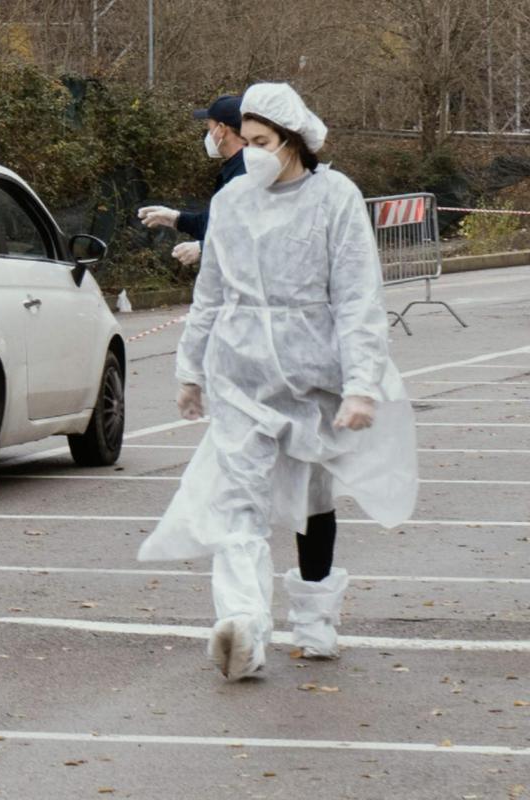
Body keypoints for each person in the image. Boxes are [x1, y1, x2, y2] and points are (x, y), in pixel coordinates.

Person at [137, 82, 418, 682]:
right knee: (237, 499)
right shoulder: (234, 201)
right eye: (248, 141)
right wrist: (190, 370)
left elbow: (357, 298)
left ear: (293, 140)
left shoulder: (335, 198)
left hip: (314, 374)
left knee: (313, 501)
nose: (253, 153)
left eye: (263, 141)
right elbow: (211, 292)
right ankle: (242, 624)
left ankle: (316, 622)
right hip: (241, 374)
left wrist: (361, 384)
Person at [137, 94, 247, 267]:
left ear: (222, 129)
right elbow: (214, 223)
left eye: (209, 128)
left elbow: (253, 234)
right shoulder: (234, 167)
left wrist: (204, 248)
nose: (209, 135)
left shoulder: (247, 172)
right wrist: (175, 218)